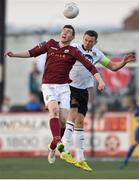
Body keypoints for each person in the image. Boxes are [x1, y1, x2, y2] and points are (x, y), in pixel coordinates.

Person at [4, 25, 105, 165]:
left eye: (69, 32)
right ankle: (60, 145)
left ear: (73, 37)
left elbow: (90, 66)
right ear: (61, 33)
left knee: (63, 122)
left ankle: (52, 147)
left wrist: (100, 81)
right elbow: (31, 52)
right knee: (54, 111)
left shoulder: (73, 51)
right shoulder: (50, 44)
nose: (65, 33)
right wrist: (14, 54)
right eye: (64, 30)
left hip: (64, 88)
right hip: (48, 86)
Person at [60, 30, 135, 171]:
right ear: (83, 38)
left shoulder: (97, 54)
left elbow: (112, 66)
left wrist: (123, 62)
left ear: (95, 42)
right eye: (86, 40)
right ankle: (64, 148)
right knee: (73, 112)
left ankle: (80, 158)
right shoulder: (74, 48)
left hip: (84, 91)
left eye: (91, 41)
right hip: (70, 86)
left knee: (80, 121)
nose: (88, 43)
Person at [120, 99, 139, 169]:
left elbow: (131, 111)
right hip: (138, 129)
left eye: (130, 104)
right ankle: (125, 161)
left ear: (132, 104)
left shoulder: (137, 109)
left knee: (134, 144)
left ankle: (125, 161)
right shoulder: (135, 109)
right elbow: (130, 111)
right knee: (135, 144)